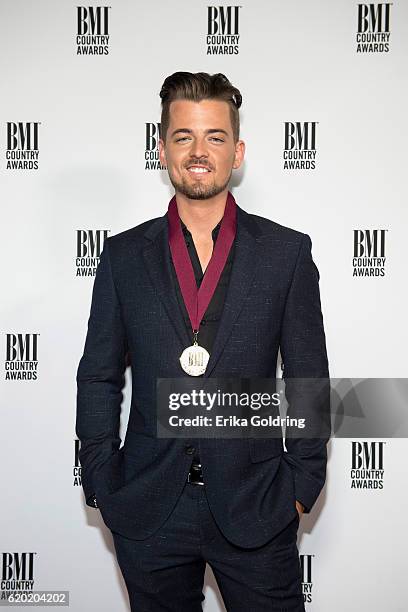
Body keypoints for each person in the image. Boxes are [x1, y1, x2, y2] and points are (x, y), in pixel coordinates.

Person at [76, 71, 330, 611]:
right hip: (148, 509)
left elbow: (308, 378)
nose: (199, 151)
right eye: (183, 136)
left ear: (237, 152)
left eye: (215, 137)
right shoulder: (122, 257)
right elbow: (98, 375)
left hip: (257, 503)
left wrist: (301, 485)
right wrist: (101, 476)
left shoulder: (286, 254)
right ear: (163, 148)